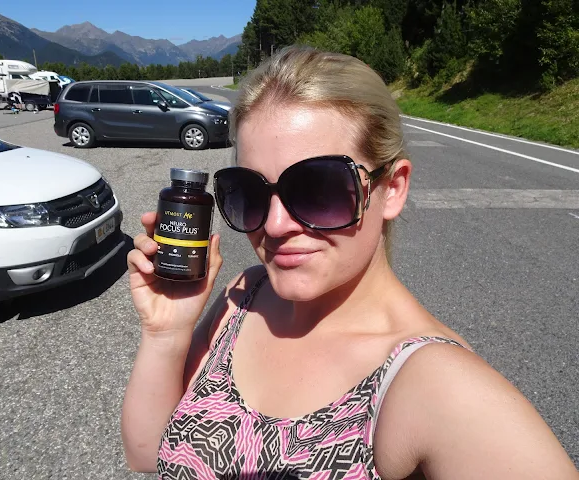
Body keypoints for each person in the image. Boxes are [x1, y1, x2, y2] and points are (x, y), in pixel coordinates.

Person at [121, 46, 579, 479]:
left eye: (317, 189)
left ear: (392, 188)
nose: (276, 226)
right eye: (250, 192)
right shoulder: (244, 296)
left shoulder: (437, 384)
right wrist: (167, 332)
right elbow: (148, 453)